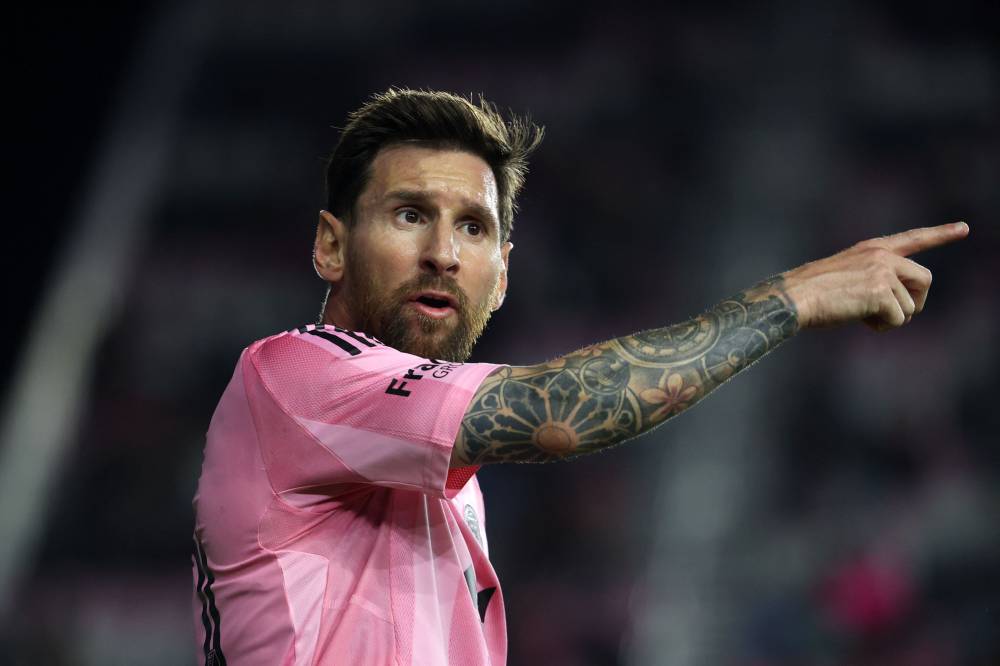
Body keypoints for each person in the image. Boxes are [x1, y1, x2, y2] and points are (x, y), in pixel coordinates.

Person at [191, 88, 968, 665]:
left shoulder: (425, 472)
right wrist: (790, 299)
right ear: (331, 247)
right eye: (407, 214)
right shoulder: (293, 376)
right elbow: (555, 413)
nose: (443, 253)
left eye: (474, 226)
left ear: (500, 280)